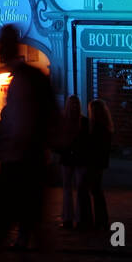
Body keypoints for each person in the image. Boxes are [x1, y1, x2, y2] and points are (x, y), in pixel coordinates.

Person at [0, 24, 59, 262]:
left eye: (4, 45)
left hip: (24, 164)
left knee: (10, 228)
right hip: (24, 163)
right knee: (17, 228)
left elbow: (42, 120)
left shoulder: (29, 78)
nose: (0, 51)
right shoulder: (27, 77)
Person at [82, 99, 114, 231]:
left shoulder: (97, 128)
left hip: (95, 162)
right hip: (99, 162)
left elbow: (95, 146)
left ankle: (98, 220)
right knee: (96, 191)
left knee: (94, 191)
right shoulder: (105, 127)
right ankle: (101, 219)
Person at [57, 96, 88, 229]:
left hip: (74, 158)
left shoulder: (67, 122)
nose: (74, 107)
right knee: (71, 189)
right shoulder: (81, 122)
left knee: (73, 189)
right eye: (73, 104)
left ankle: (71, 218)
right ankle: (72, 218)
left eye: (76, 104)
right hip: (72, 158)